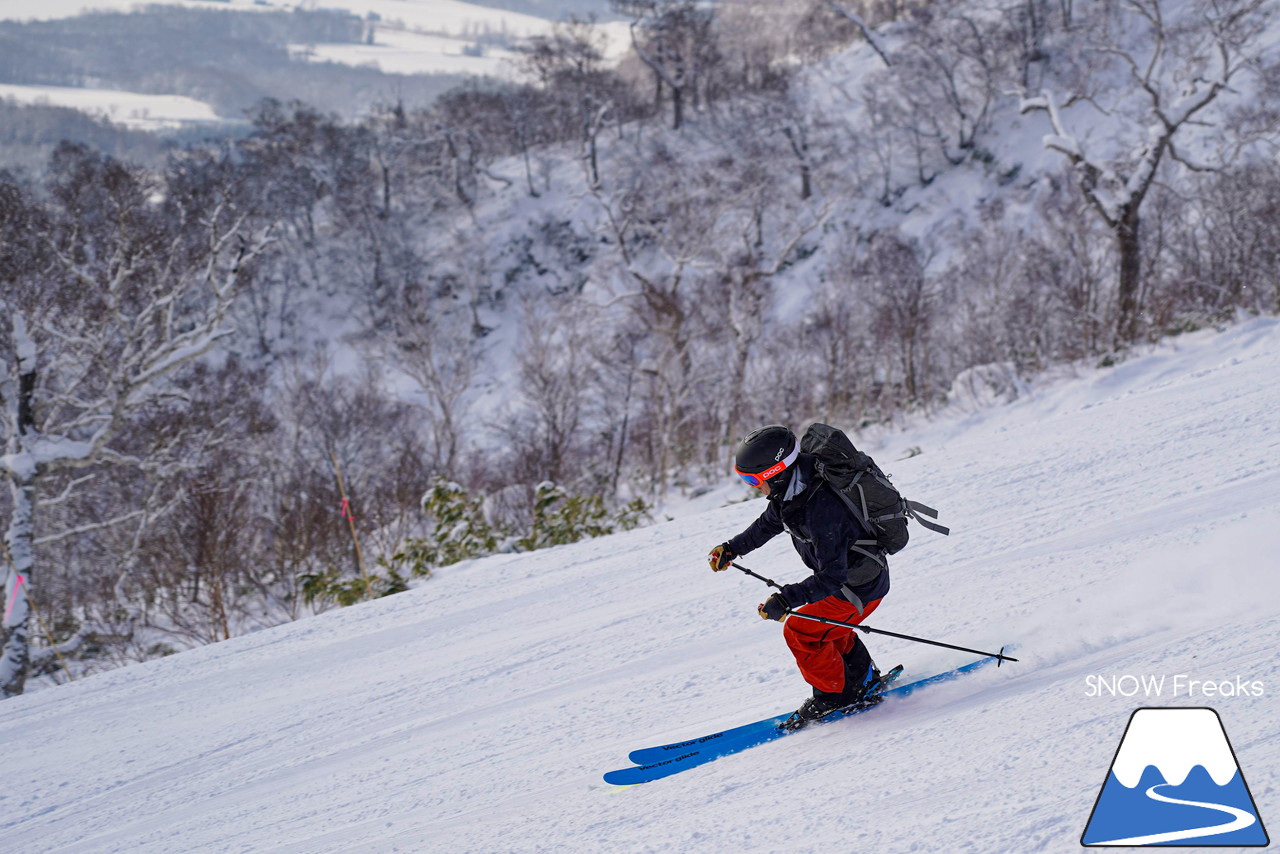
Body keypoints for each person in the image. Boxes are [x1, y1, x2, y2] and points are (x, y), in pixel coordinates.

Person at [708, 424, 890, 728]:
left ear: (776, 471)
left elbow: (832, 577)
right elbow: (768, 523)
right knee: (831, 629)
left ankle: (835, 696)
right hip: (857, 579)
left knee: (800, 630)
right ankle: (862, 677)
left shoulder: (820, 506)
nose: (752, 486)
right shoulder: (795, 487)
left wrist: (786, 600)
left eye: (753, 479)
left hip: (859, 585)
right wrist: (732, 548)